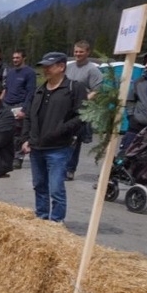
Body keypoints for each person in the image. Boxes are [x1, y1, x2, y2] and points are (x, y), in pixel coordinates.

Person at [20, 51, 87, 223]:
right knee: (39, 185)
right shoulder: (39, 90)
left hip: (58, 148)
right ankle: (42, 218)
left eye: (49, 66)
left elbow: (82, 116)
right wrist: (26, 139)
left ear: (61, 67)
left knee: (56, 188)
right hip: (36, 147)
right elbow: (28, 116)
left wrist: (61, 130)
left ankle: (56, 222)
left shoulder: (74, 88)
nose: (45, 70)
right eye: (44, 67)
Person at [64, 40, 104, 179]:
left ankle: (69, 170)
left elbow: (97, 90)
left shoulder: (93, 70)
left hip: (81, 110)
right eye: (76, 51)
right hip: (66, 108)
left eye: (81, 52)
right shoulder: (69, 67)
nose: (78, 54)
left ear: (88, 52)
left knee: (74, 140)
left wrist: (83, 101)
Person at [4, 49, 37, 169]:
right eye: (13, 58)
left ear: (24, 58)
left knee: (18, 133)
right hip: (7, 104)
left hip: (20, 105)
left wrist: (24, 109)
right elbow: (6, 89)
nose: (15, 60)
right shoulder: (10, 72)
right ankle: (8, 157)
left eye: (17, 58)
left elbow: (31, 92)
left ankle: (18, 157)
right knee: (7, 132)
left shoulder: (29, 73)